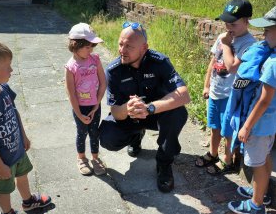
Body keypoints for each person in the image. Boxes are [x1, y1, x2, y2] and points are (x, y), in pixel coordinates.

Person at [99, 21, 190, 193]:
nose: (122, 50)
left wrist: (150, 108)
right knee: (107, 137)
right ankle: (135, 137)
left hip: (155, 113)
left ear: (144, 48)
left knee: (178, 113)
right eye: (120, 44)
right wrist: (127, 108)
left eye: (128, 46)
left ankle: (164, 163)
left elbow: (183, 94)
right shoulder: (114, 71)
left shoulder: (159, 62)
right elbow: (116, 113)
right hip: (130, 116)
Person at [0, 38, 51, 214]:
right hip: (3, 160)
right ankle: (7, 211)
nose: (11, 70)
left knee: (23, 176)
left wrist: (23, 136)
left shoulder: (4, 88)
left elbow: (15, 112)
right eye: (8, 67)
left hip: (17, 150)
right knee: (4, 190)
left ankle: (28, 202)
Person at [195, 0, 256, 175]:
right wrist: (207, 85)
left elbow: (233, 67)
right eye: (226, 23)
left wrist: (227, 45)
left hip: (231, 95)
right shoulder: (223, 38)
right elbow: (213, 61)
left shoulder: (248, 44)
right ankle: (213, 153)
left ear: (246, 21)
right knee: (214, 126)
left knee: (228, 130)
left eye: (233, 24)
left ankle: (228, 159)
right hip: (216, 90)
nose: (228, 27)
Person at [228, 5, 276, 214]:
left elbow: (264, 100)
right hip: (268, 123)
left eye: (267, 30)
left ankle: (256, 205)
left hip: (258, 124)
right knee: (264, 159)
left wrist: (246, 126)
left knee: (257, 164)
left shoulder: (274, 63)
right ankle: (261, 190)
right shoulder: (272, 53)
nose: (263, 34)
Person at [65, 23, 107, 176]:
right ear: (76, 45)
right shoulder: (71, 67)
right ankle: (81, 158)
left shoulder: (95, 60)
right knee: (82, 132)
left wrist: (97, 103)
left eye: (92, 47)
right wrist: (79, 113)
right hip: (80, 107)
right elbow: (71, 93)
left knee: (94, 132)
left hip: (95, 105)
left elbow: (103, 82)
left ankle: (95, 158)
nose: (91, 50)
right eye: (88, 47)